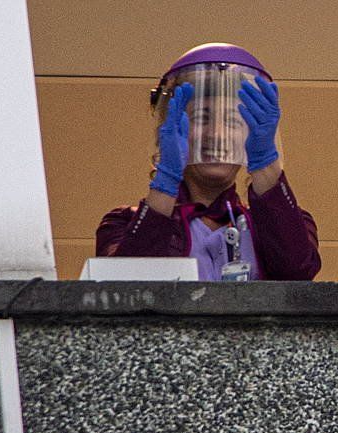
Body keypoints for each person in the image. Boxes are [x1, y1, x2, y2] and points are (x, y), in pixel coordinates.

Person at [96, 43, 320, 280]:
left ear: (250, 134)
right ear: (171, 129)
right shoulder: (123, 223)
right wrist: (166, 180)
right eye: (201, 118)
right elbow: (122, 289)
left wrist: (265, 163)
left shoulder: (284, 223)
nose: (216, 134)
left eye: (233, 121)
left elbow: (297, 272)